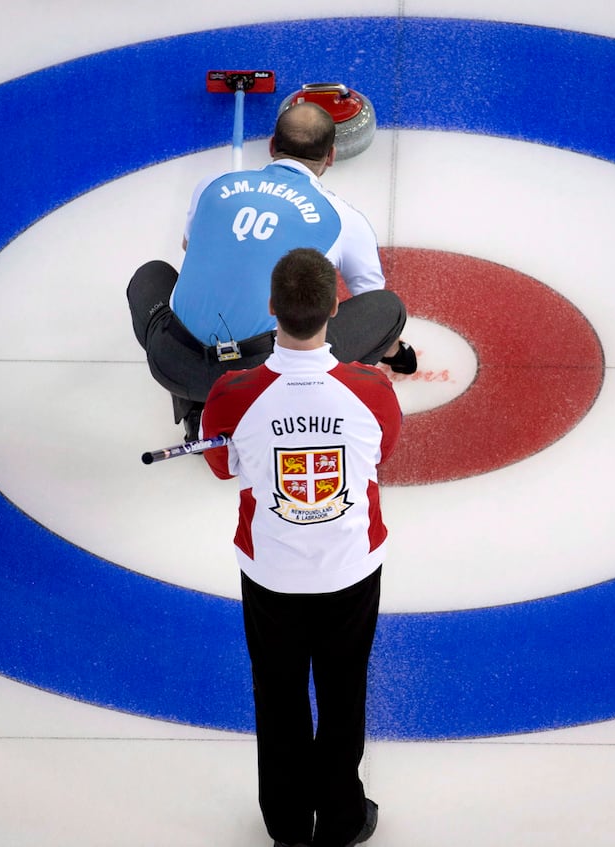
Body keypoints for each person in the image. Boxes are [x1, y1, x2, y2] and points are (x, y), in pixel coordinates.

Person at [200, 247, 401, 847]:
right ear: (335, 308)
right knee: (344, 691)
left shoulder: (233, 393)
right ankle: (342, 819)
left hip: (272, 571)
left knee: (279, 693)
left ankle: (287, 824)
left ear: (271, 308)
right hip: (350, 567)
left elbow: (220, 466)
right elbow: (381, 455)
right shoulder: (372, 389)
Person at [127, 101, 416, 441]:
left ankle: (194, 407)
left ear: (272, 145)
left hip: (173, 363)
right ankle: (314, 397)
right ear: (331, 156)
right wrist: (394, 350)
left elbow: (191, 246)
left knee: (151, 274)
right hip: (261, 378)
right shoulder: (344, 219)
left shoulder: (212, 185)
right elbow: (369, 297)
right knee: (387, 309)